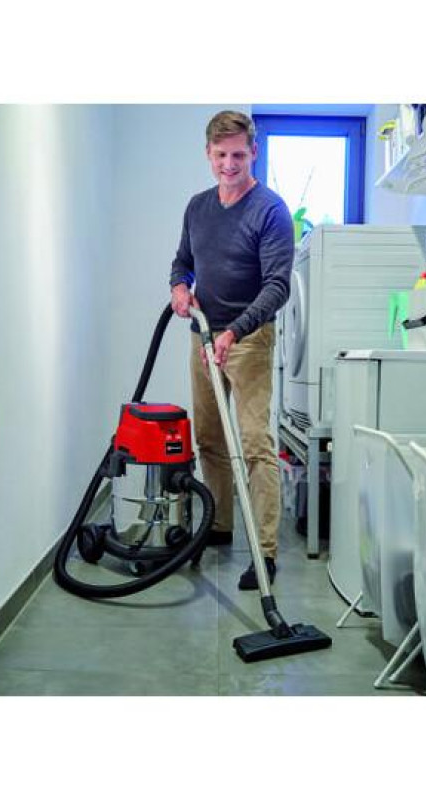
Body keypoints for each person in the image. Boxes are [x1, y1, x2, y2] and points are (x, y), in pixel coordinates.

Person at [169, 110, 294, 590]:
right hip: (203, 336)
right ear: (208, 153)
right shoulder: (198, 207)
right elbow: (183, 261)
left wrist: (235, 332)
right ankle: (218, 526)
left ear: (253, 152)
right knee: (209, 439)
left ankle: (265, 552)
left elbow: (277, 286)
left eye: (238, 154)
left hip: (249, 339)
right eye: (220, 155)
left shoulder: (270, 210)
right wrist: (180, 287)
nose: (229, 164)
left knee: (256, 445)